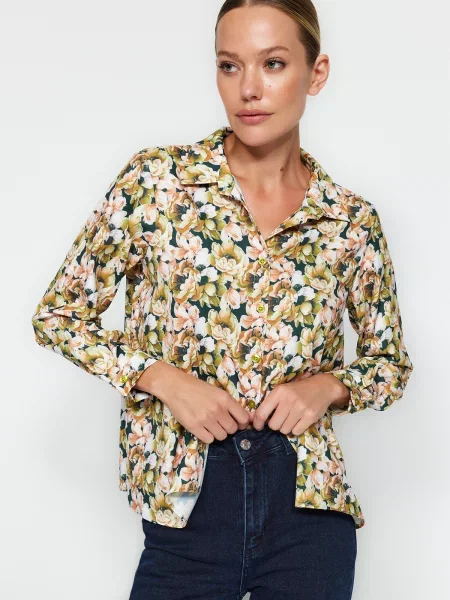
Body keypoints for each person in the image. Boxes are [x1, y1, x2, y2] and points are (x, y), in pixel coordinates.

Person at [31, 1, 414, 598]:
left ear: (316, 73)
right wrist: (162, 379)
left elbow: (389, 365)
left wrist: (327, 387)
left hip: (308, 513)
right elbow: (58, 316)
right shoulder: (157, 184)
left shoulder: (349, 220)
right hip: (186, 513)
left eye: (274, 63)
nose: (249, 89)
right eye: (229, 65)